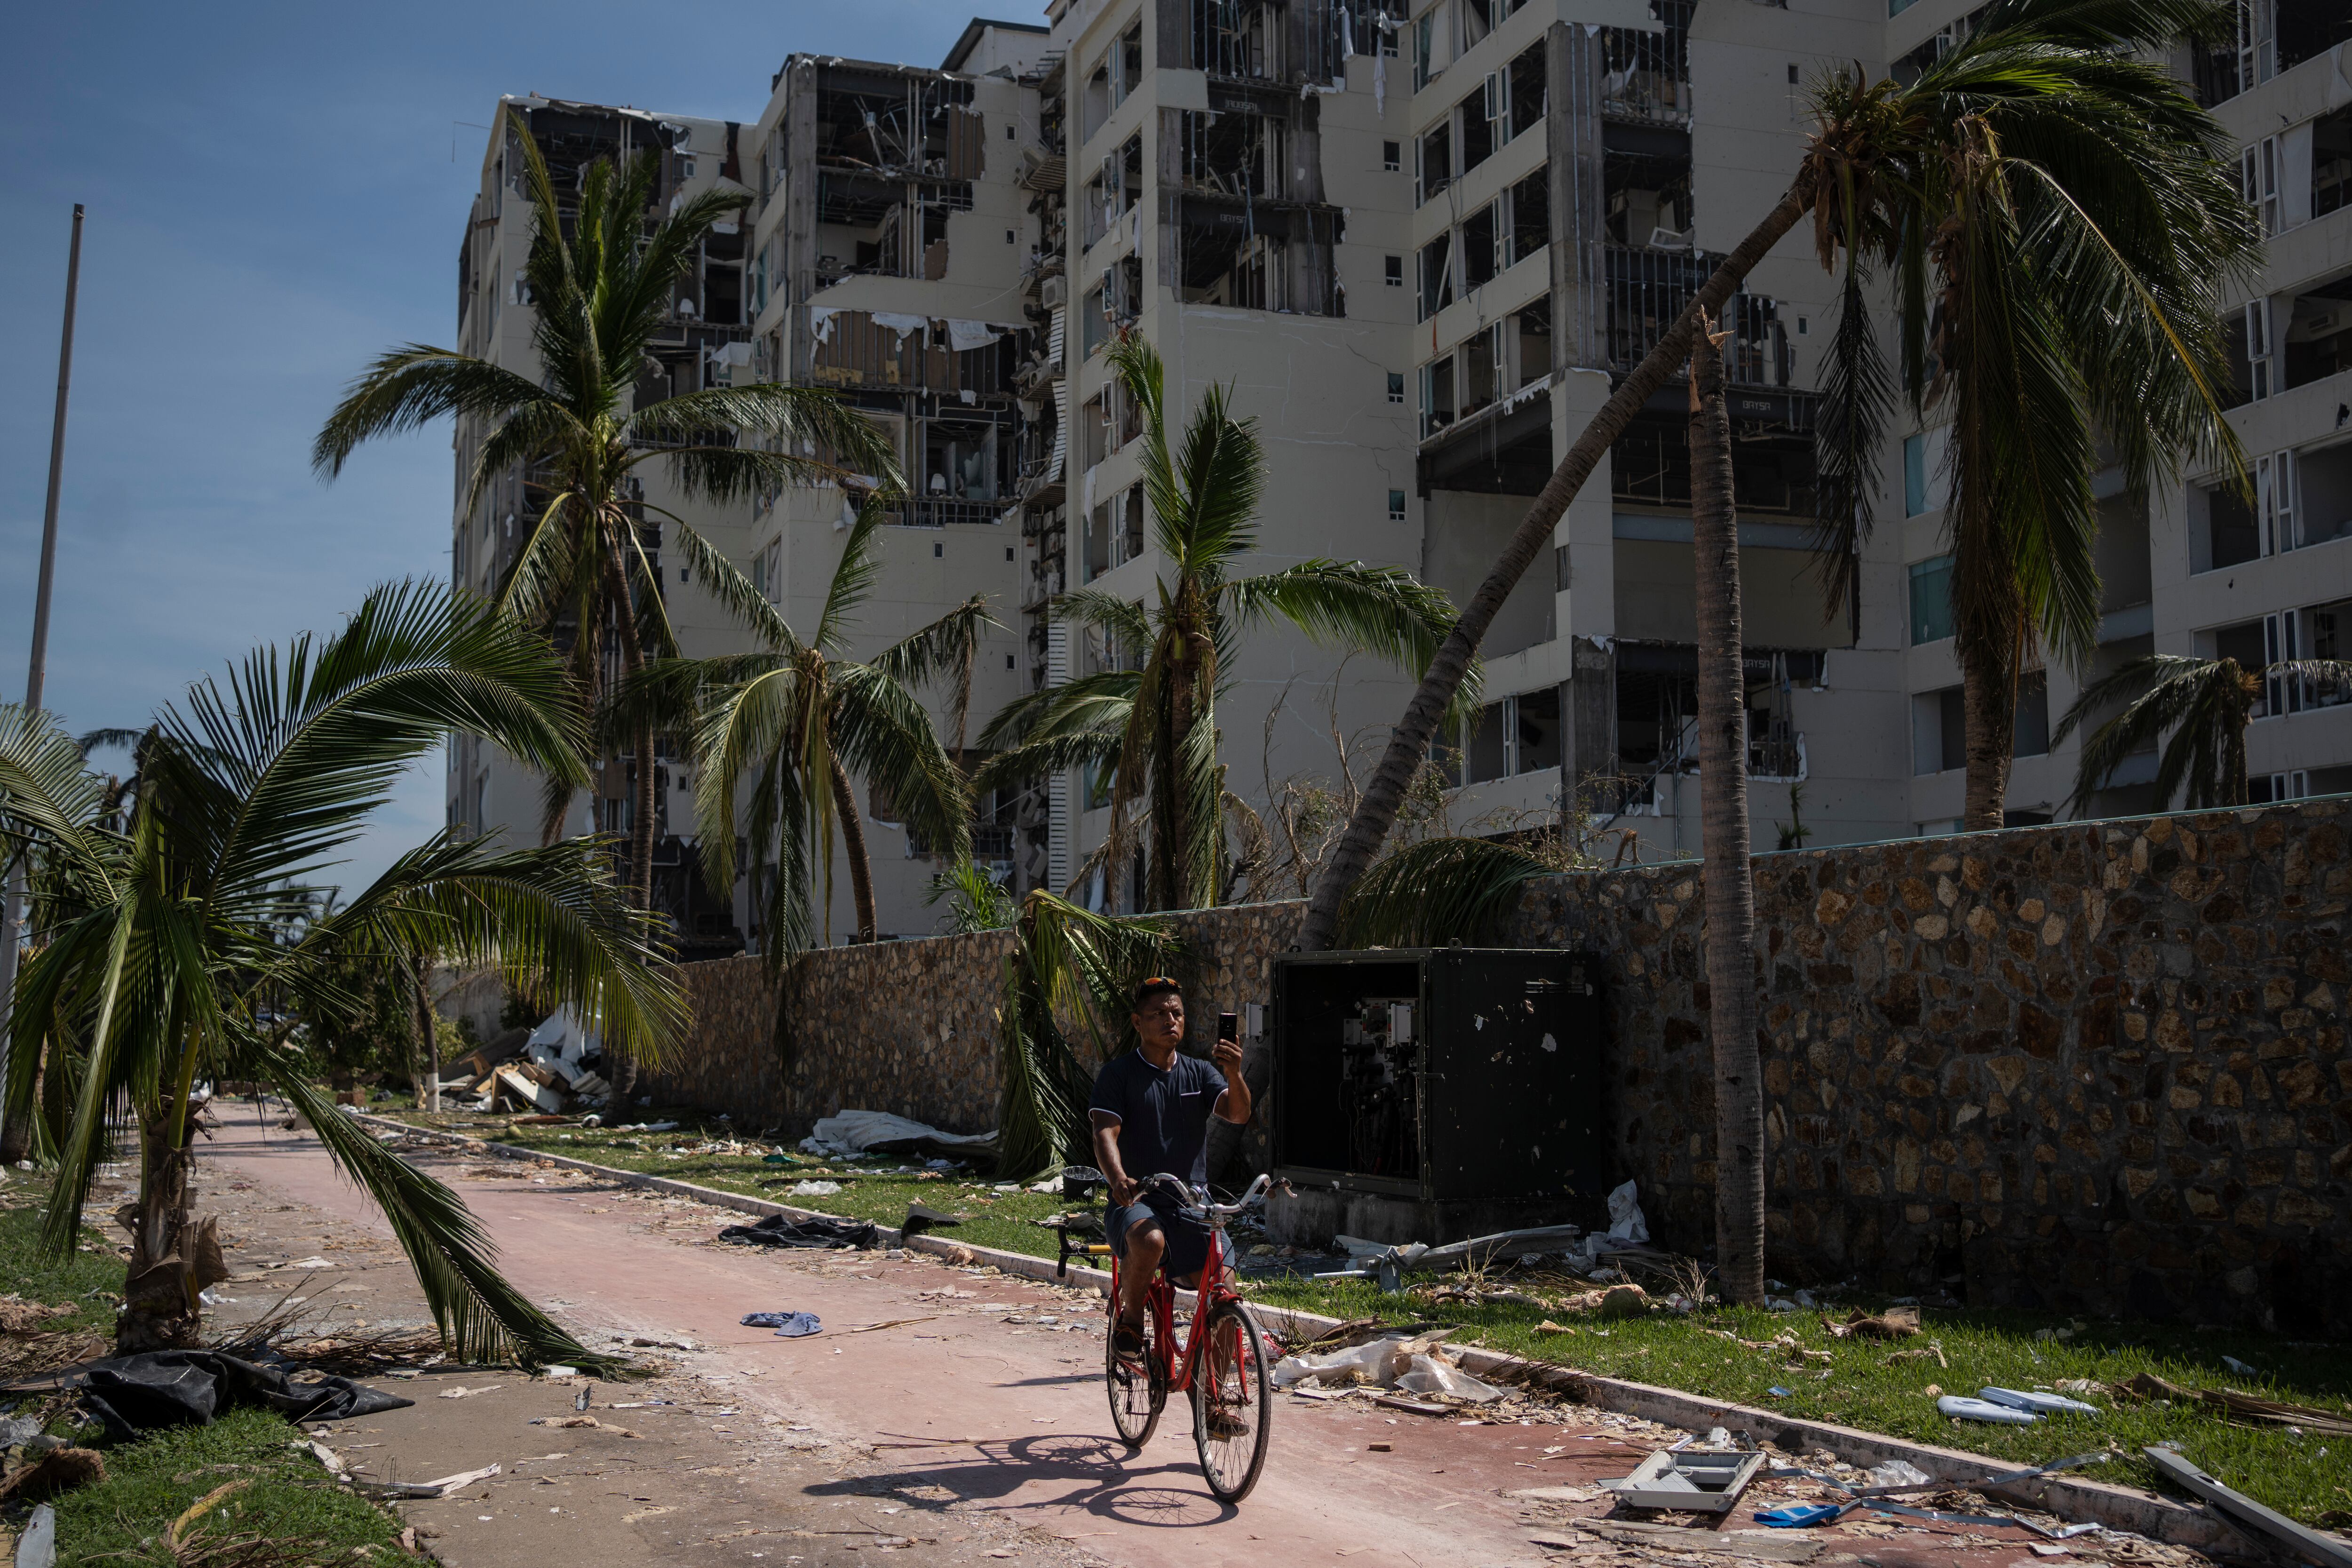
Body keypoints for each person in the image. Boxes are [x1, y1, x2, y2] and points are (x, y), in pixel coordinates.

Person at [1089, 977, 1252, 1362]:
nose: (1170, 1020)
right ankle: (1129, 1318)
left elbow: (1239, 1112)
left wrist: (1235, 1073)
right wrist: (1118, 1179)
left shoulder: (1198, 1072)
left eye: (1176, 1012)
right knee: (1150, 1241)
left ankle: (1214, 1404)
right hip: (1137, 1200)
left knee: (1224, 1294)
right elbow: (1104, 1134)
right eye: (1158, 1014)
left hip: (1192, 1205)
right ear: (1137, 1022)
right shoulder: (1119, 1075)